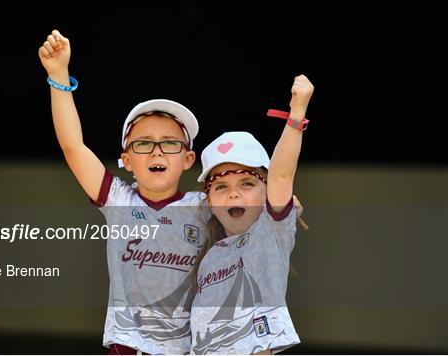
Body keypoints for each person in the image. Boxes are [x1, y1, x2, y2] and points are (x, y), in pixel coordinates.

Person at [38, 30, 205, 354]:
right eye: (143, 144)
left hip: (190, 348)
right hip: (127, 346)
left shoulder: (205, 206)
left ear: (188, 160)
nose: (157, 152)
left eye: (169, 143)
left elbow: (250, 196)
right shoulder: (118, 201)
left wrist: (278, 202)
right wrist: (58, 75)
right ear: (126, 160)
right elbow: (73, 147)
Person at [190, 75, 314, 354]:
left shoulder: (269, 232)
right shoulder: (210, 254)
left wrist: (296, 115)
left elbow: (282, 174)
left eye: (247, 183)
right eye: (221, 186)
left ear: (267, 191)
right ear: (209, 201)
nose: (234, 193)